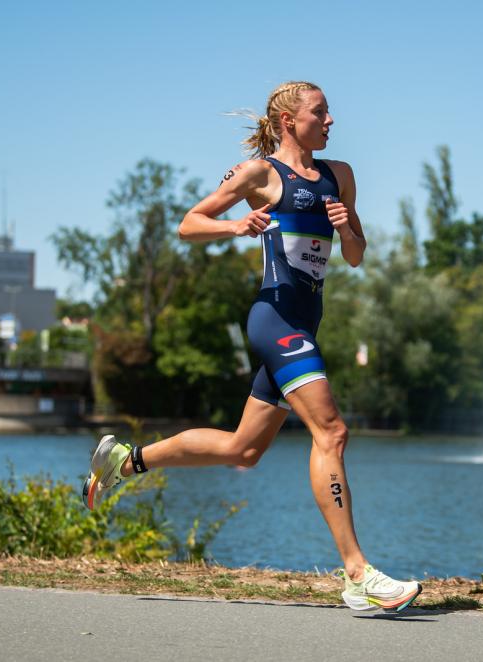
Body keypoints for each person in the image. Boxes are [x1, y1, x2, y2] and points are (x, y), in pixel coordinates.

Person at [81, 81, 421, 613]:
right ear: (290, 121)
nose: (331, 121)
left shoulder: (341, 176)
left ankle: (126, 460)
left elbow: (354, 255)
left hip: (307, 322)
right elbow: (188, 224)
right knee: (331, 431)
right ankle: (357, 573)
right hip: (275, 319)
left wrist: (348, 226)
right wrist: (236, 224)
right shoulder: (261, 174)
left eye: (330, 112)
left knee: (245, 449)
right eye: (320, 112)